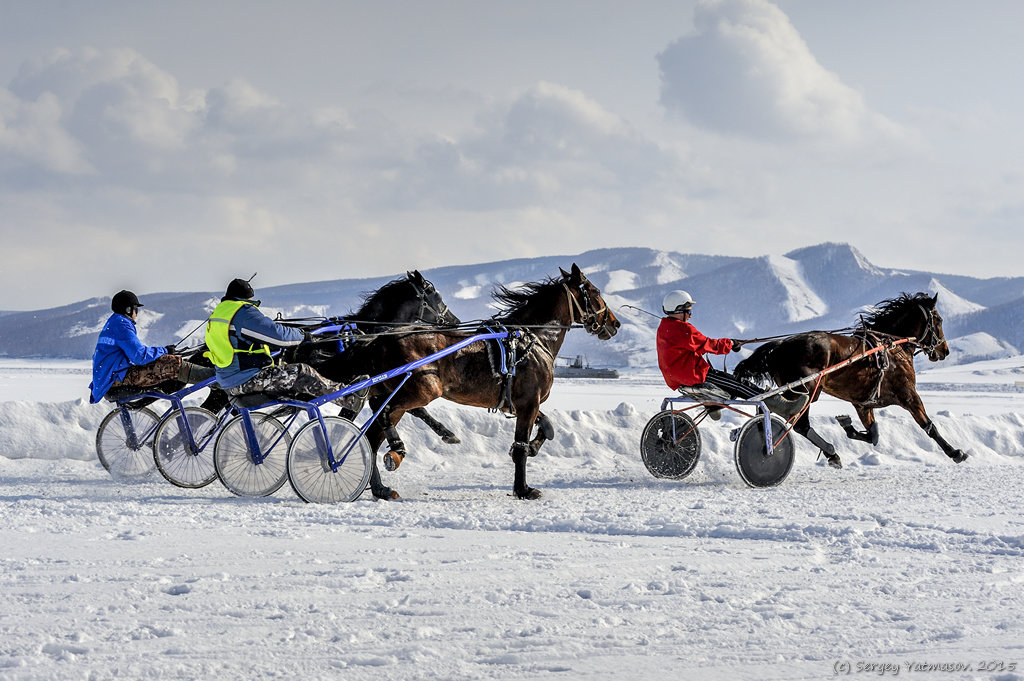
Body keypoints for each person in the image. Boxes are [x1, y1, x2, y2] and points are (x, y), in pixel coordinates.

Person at [204, 278, 365, 415]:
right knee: (303, 372)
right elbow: (277, 335)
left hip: (228, 380)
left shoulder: (219, 313)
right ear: (247, 299)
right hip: (246, 379)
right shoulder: (242, 312)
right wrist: (303, 336)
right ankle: (350, 399)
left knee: (288, 374)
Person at [89, 290, 214, 403]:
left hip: (110, 378)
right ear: (128, 310)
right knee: (171, 362)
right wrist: (165, 350)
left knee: (165, 363)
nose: (136, 313)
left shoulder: (113, 323)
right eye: (135, 309)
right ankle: (215, 377)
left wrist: (161, 352)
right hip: (115, 380)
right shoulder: (121, 326)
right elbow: (139, 355)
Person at [655, 290, 759, 400]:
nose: (690, 316)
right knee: (739, 384)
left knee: (727, 383)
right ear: (680, 310)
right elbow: (708, 344)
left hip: (676, 377)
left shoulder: (664, 328)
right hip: (694, 374)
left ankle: (713, 407)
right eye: (689, 312)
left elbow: (691, 348)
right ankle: (769, 399)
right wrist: (731, 343)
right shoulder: (684, 329)